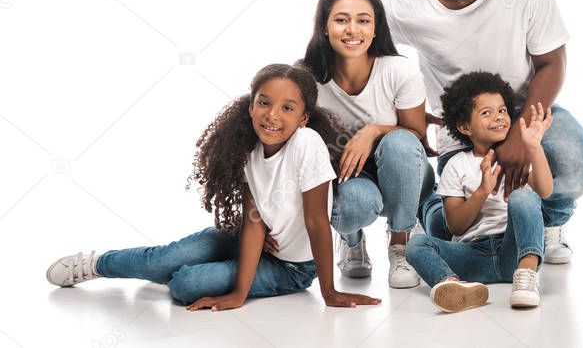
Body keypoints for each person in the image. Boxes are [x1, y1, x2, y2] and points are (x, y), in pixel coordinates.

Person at [44, 64, 381, 311]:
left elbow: (317, 223)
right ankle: (98, 263)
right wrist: (237, 293)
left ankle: (190, 273)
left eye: (287, 108)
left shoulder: (306, 144)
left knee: (185, 284)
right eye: (264, 103)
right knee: (166, 258)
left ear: (303, 118)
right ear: (251, 106)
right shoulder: (249, 149)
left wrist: (329, 293)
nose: (272, 115)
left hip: (291, 267)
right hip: (252, 242)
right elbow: (253, 221)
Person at [386, 0, 583, 263]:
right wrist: (408, 113)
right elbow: (372, 60)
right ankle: (423, 217)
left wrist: (519, 132)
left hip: (525, 105)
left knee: (573, 158)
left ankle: (549, 224)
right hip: (462, 124)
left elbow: (551, 63)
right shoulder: (405, 5)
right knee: (453, 226)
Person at [295, 0, 434, 288]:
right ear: (324, 28)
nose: (352, 29)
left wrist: (373, 132)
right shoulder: (306, 77)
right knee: (355, 201)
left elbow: (416, 134)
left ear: (375, 30)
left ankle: (400, 245)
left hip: (406, 176)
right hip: (349, 178)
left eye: (363, 20)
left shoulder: (398, 70)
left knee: (399, 141)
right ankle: (351, 239)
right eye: (341, 20)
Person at [406, 72, 552, 311]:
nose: (499, 118)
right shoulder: (457, 165)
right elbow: (456, 227)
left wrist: (534, 148)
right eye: (487, 113)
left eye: (503, 110)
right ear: (464, 127)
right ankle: (452, 285)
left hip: (512, 251)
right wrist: (482, 191)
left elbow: (545, 191)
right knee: (416, 244)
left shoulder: (517, 159)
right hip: (473, 256)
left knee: (524, 197)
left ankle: (526, 276)